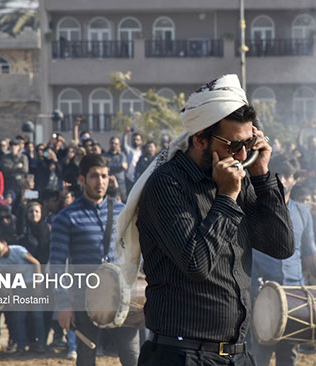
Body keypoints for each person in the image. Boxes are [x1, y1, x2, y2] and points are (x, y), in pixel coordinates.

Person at [116, 74, 294, 366]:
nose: (242, 155)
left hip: (236, 354)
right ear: (199, 139)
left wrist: (262, 177)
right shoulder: (167, 184)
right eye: (233, 145)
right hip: (181, 355)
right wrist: (226, 198)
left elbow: (281, 245)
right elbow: (196, 263)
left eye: (249, 143)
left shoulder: (239, 177)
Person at [50, 154, 140, 366]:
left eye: (104, 176)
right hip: (84, 298)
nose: (99, 182)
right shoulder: (66, 217)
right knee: (86, 358)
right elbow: (56, 265)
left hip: (122, 297)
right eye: (93, 176)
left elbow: (137, 253)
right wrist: (63, 305)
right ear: (82, 179)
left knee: (132, 357)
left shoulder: (123, 212)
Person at [251, 155, 316, 366]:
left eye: (287, 176)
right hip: (262, 292)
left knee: (289, 355)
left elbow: (310, 252)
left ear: (296, 179)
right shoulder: (254, 208)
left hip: (294, 293)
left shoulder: (303, 213)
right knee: (259, 354)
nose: (282, 181)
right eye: (277, 175)